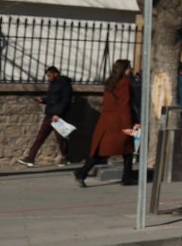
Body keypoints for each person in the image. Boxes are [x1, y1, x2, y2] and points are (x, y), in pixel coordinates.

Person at [73, 59, 138, 187]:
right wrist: (128, 125)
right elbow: (124, 105)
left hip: (106, 120)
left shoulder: (110, 82)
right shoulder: (125, 83)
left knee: (104, 149)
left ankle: (82, 172)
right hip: (119, 120)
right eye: (129, 68)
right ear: (125, 69)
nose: (130, 70)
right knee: (127, 149)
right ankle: (126, 178)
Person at [16, 66, 73, 167]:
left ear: (56, 73)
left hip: (58, 116)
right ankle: (30, 158)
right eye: (47, 76)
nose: (48, 78)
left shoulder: (64, 84)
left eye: (50, 76)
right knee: (40, 137)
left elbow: (65, 100)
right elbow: (53, 99)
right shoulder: (53, 84)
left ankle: (65, 158)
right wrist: (43, 100)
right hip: (49, 114)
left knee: (61, 138)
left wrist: (57, 114)